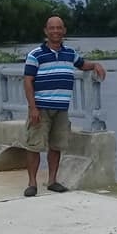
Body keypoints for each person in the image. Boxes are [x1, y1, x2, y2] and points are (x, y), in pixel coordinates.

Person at [22, 16, 106, 196]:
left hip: (61, 109)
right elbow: (28, 81)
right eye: (52, 28)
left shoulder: (69, 53)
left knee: (56, 146)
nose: (55, 31)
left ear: (64, 31)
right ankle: (32, 183)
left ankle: (52, 180)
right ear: (46, 31)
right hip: (41, 107)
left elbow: (82, 65)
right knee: (34, 146)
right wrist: (33, 108)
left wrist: (96, 65)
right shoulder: (35, 54)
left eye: (59, 28)